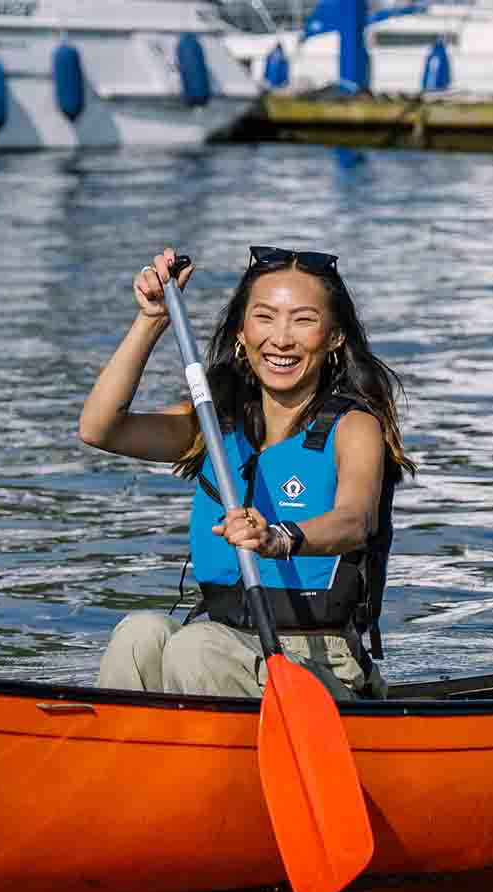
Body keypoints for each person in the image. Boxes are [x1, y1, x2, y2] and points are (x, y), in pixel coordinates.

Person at [78, 246, 415, 699]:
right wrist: (152, 320)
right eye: (265, 317)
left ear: (334, 337)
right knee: (139, 634)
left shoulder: (354, 427)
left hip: (316, 661)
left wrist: (279, 537)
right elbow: (100, 428)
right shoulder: (215, 425)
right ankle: (124, 759)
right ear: (241, 332)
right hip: (220, 641)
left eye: (303, 319)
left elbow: (356, 521)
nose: (281, 338)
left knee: (196, 647)